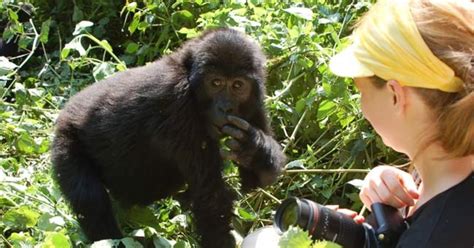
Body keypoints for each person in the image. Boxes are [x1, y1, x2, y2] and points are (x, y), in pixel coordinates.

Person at [242, 0, 473, 247]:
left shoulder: (431, 238)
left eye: (361, 90)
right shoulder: (439, 171)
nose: (363, 105)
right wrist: (393, 192)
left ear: (396, 96)